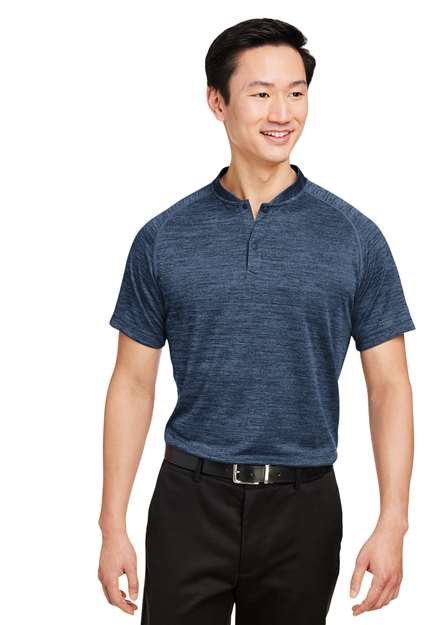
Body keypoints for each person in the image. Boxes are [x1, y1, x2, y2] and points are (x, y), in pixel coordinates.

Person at [98, 17, 416, 625]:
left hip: (305, 505)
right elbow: (132, 382)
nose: (282, 113)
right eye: (261, 93)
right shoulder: (163, 238)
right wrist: (113, 525)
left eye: (296, 92)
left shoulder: (355, 237)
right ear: (217, 102)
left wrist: (393, 521)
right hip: (189, 501)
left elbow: (390, 386)